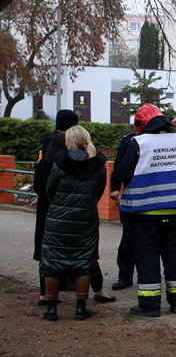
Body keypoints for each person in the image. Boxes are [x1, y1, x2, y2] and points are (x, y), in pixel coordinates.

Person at [111, 104, 176, 317]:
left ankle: (149, 305)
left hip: (145, 211)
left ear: (141, 125)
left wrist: (115, 189)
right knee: (174, 254)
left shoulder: (138, 142)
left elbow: (123, 170)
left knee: (147, 256)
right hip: (175, 210)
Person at [39, 126, 107, 321]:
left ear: (69, 141)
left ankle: (52, 308)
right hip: (86, 220)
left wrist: (60, 206)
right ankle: (80, 308)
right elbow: (98, 193)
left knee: (52, 262)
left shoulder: (59, 163)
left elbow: (49, 191)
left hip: (57, 221)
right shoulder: (98, 166)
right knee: (83, 262)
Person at [33, 109, 78, 305]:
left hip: (47, 207)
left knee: (48, 245)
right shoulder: (73, 152)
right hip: (65, 208)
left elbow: (39, 185)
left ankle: (48, 290)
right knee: (69, 244)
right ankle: (70, 281)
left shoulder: (48, 146)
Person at [110, 124, 140, 291]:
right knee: (128, 241)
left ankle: (147, 277)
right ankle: (125, 276)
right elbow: (120, 165)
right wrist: (115, 186)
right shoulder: (130, 140)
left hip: (149, 200)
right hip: (132, 200)